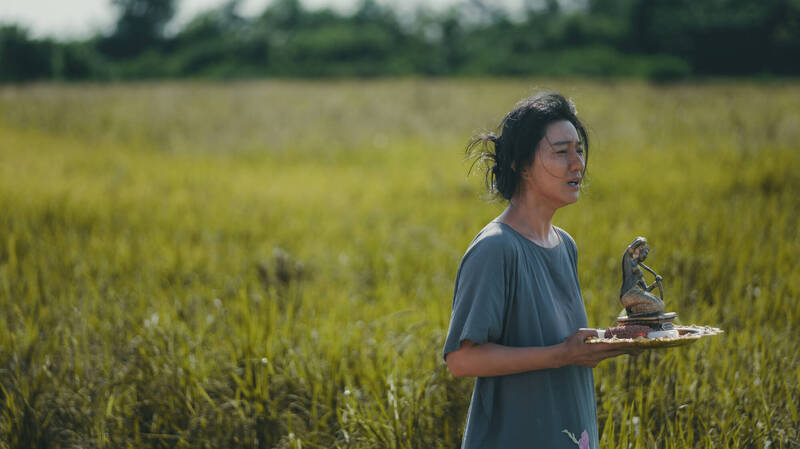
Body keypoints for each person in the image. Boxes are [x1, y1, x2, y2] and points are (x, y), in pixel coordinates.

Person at [443, 91, 635, 449]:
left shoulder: (565, 246)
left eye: (579, 150)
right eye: (561, 152)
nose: (577, 164)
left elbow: (560, 343)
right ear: (521, 164)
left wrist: (608, 340)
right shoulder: (496, 248)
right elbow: (461, 359)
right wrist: (562, 355)